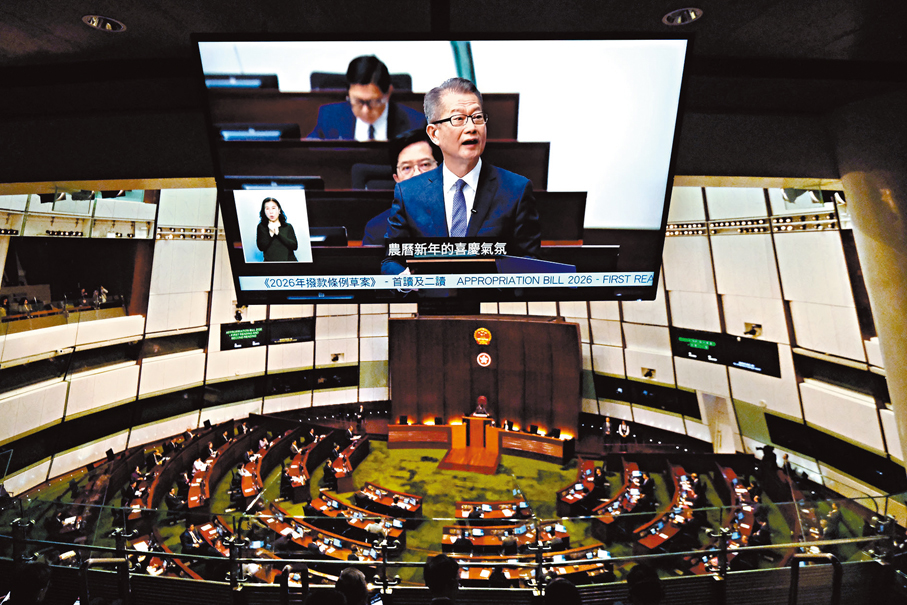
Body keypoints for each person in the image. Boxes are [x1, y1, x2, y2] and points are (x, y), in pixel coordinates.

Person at [381, 77, 541, 275]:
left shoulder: (516, 190)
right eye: (458, 119)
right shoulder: (409, 193)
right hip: (429, 301)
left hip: (492, 304)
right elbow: (391, 260)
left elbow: (529, 264)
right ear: (434, 134)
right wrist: (406, 281)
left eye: (478, 117)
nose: (472, 127)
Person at [308, 56, 425, 141]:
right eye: (358, 101)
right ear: (348, 94)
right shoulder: (329, 117)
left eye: (373, 101)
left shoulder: (416, 124)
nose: (365, 110)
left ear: (388, 93)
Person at [362, 128, 443, 246]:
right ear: (397, 179)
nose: (416, 174)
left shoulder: (460, 220)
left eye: (425, 164)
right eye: (407, 168)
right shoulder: (377, 229)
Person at [256, 197, 298, 261]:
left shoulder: (287, 226)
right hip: (270, 265)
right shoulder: (261, 227)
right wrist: (270, 235)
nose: (271, 212)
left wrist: (278, 234)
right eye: (267, 209)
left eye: (273, 208)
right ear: (264, 211)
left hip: (289, 263)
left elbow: (294, 246)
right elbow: (261, 248)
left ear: (279, 210)